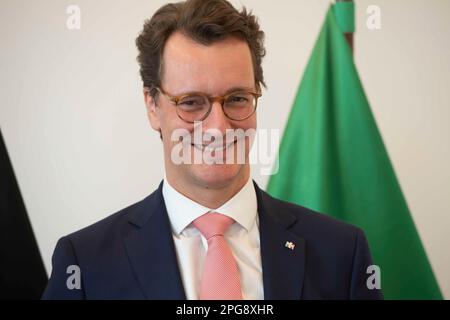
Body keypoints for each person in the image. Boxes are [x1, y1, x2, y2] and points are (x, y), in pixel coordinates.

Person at [42, 0, 383, 300]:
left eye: (236, 99)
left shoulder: (342, 253)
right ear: (152, 106)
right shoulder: (84, 264)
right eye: (191, 103)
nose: (218, 128)